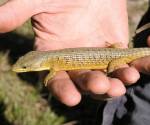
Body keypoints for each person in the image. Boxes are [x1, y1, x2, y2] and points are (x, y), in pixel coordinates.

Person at [0, 0, 149, 125]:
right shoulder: (51, 60)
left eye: (25, 67)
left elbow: (53, 72)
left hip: (117, 57)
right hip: (117, 52)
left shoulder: (52, 64)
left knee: (114, 71)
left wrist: (48, 76)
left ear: (37, 63)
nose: (22, 68)